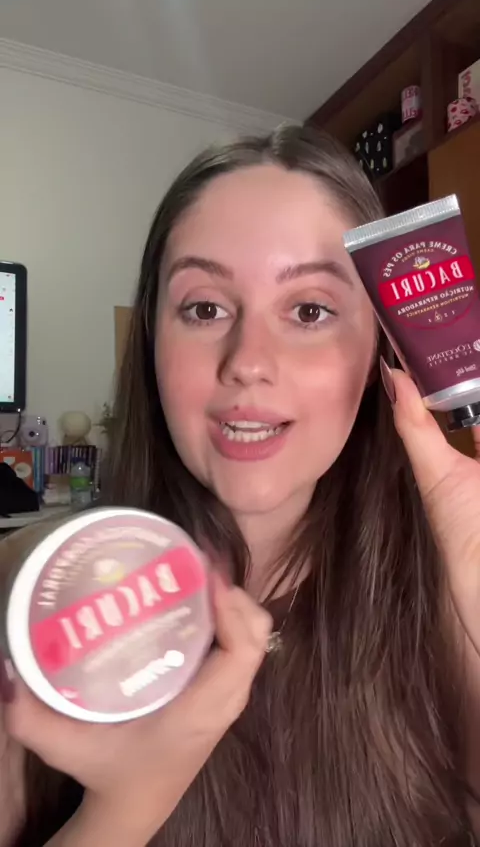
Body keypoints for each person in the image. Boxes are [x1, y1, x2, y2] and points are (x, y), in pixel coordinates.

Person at [1, 124, 480, 846]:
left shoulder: (445, 595)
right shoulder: (27, 590)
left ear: (377, 355)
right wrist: (120, 812)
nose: (248, 361)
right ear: (152, 343)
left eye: (310, 310)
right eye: (205, 308)